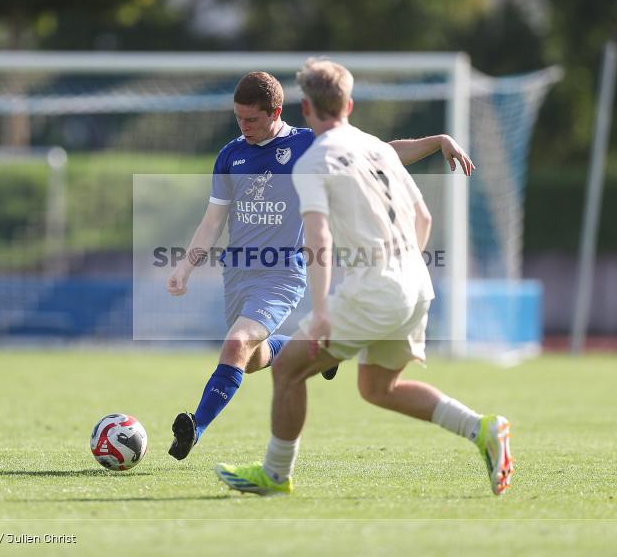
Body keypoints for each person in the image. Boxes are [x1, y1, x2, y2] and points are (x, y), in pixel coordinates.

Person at [214, 58, 512, 496]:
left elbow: (318, 239)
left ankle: (275, 474)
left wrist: (320, 312)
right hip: (415, 286)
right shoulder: (374, 148)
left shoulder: (314, 160)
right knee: (378, 388)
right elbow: (424, 218)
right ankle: (483, 428)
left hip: (375, 290)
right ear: (349, 105)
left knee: (288, 369)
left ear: (306, 109)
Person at [166, 70, 474, 461]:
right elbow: (212, 222)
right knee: (249, 355)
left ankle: (196, 427)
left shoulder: (309, 145)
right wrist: (185, 267)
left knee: (236, 343)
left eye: (252, 119)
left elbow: (383, 153)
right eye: (239, 117)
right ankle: (309, 349)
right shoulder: (230, 155)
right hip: (238, 274)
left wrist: (437, 142)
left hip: (282, 274)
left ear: (276, 111)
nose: (244, 126)